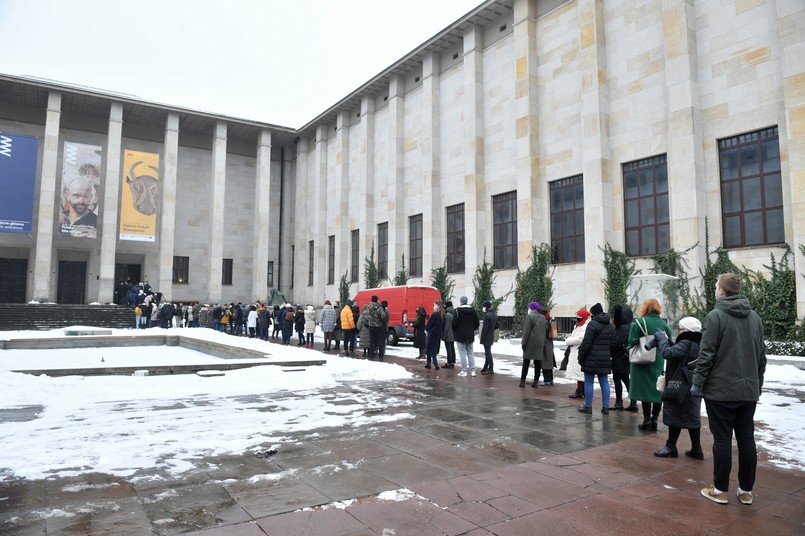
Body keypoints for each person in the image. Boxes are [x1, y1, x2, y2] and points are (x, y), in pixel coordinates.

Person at [693, 273, 766, 506]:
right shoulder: (755, 317)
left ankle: (720, 489)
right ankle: (746, 490)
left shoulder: (716, 316)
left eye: (716, 286)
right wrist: (758, 384)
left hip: (720, 391)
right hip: (748, 391)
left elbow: (706, 355)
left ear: (722, 291)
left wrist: (697, 382)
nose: (716, 289)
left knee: (722, 439)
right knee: (746, 440)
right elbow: (761, 358)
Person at [651, 316, 704, 459]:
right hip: (691, 384)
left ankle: (670, 446)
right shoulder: (697, 342)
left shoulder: (686, 342)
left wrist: (661, 339)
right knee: (692, 415)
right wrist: (668, 340)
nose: (679, 331)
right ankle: (696, 448)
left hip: (679, 385)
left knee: (674, 413)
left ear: (686, 330)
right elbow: (678, 353)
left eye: (680, 328)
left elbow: (667, 353)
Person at [627, 298, 673, 432]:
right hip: (657, 361)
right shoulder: (663, 324)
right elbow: (669, 340)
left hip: (641, 361)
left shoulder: (639, 322)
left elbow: (632, 341)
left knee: (644, 390)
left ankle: (646, 420)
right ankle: (654, 420)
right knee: (657, 389)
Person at [577, 303, 614, 414]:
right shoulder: (609, 325)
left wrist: (581, 357)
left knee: (589, 382)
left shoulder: (592, 325)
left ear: (593, 314)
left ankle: (588, 406)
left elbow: (586, 343)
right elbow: (611, 343)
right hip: (604, 358)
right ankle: (606, 407)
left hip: (591, 358)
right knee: (604, 382)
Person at [610, 305, 638, 411]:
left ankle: (619, 402)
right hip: (624, 358)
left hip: (619, 358)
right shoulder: (628, 326)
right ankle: (633, 402)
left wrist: (611, 348)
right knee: (626, 380)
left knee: (618, 380)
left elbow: (617, 342)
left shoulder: (623, 328)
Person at [564, 309, 590, 398]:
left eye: (579, 318)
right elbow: (573, 337)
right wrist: (570, 340)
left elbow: (579, 339)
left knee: (580, 373)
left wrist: (568, 341)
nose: (577, 320)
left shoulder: (585, 327)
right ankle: (579, 390)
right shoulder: (577, 326)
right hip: (574, 351)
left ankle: (581, 390)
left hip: (579, 351)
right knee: (578, 373)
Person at [520, 301, 547, 388]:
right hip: (540, 343)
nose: (528, 309)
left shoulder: (529, 316)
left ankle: (522, 381)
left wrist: (523, 343)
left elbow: (526, 331)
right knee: (537, 363)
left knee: (526, 361)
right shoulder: (543, 317)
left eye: (529, 307)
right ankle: (536, 381)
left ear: (532, 308)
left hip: (530, 342)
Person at [452, 296, 480, 377]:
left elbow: (453, 324)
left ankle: (464, 370)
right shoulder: (473, 311)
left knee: (462, 353)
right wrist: (471, 329)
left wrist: (456, 331)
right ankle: (473, 370)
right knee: (470, 352)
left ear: (461, 301)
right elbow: (477, 323)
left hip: (460, 335)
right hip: (470, 335)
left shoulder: (457, 310)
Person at [536, 310, 556, 386]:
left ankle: (547, 380)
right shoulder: (551, 320)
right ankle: (550, 380)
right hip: (550, 344)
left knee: (545, 362)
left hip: (544, 343)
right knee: (549, 362)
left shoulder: (543, 321)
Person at [364, 295, 386, 360]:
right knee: (380, 342)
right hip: (379, 326)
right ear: (377, 300)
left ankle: (371, 356)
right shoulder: (379, 307)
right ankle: (381, 357)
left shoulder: (368, 307)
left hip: (371, 326)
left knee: (371, 341)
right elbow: (383, 316)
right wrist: (382, 321)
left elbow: (366, 316)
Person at [479, 300, 498, 375]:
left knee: (488, 352)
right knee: (488, 352)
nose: (483, 308)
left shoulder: (487, 316)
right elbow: (497, 326)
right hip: (491, 335)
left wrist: (482, 339)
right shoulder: (494, 315)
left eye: (483, 307)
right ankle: (486, 367)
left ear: (486, 307)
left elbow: (484, 329)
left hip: (487, 336)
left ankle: (490, 368)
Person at [424, 302, 443, 370]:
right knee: (433, 349)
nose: (433, 306)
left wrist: (426, 328)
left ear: (437, 306)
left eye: (434, 304)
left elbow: (430, 324)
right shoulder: (441, 314)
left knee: (429, 348)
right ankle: (431, 364)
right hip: (437, 334)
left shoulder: (435, 314)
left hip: (431, 333)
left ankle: (432, 364)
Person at [441, 300, 457, 369]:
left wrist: (444, 336)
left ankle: (449, 362)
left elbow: (446, 326)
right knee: (452, 348)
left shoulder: (447, 315)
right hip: (453, 333)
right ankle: (452, 362)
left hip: (448, 334)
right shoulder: (454, 313)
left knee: (448, 349)